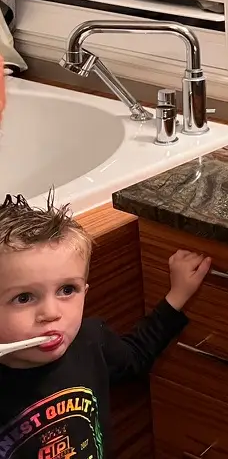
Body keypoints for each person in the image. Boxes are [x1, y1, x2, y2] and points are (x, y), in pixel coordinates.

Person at [0, 195, 210, 457]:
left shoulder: (90, 341)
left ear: (85, 292)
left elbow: (135, 356)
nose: (51, 313)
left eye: (67, 290)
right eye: (23, 298)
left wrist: (177, 296)